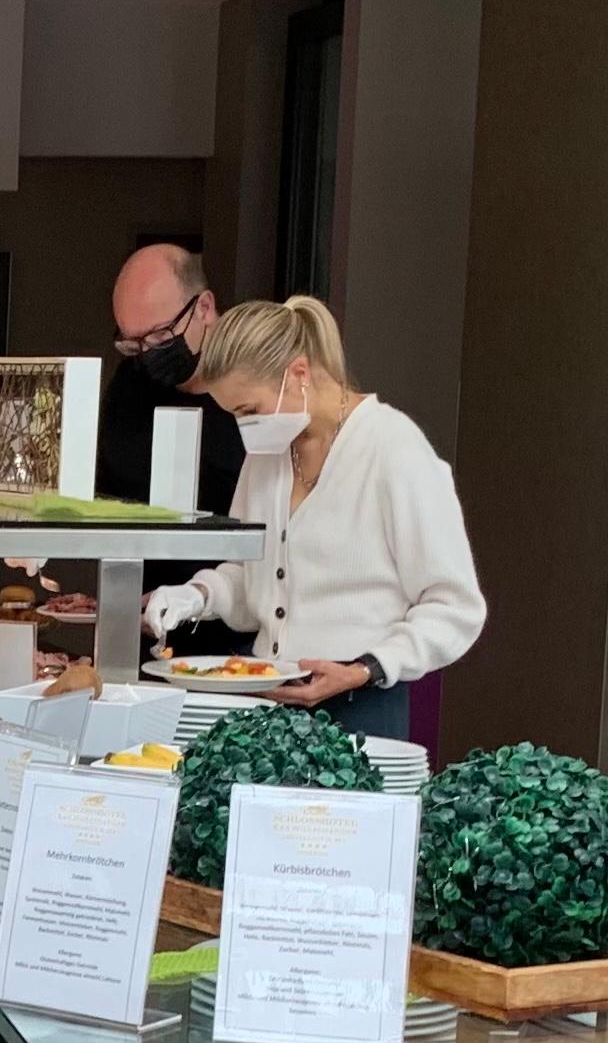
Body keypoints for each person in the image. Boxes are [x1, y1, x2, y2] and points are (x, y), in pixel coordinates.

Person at [144, 296, 486, 739]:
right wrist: (197, 595)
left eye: (248, 410)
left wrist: (366, 669)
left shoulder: (394, 448)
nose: (242, 426)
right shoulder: (268, 454)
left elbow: (456, 606)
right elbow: (252, 587)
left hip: (362, 708)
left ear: (299, 375)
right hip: (268, 707)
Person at [95, 243, 245, 515]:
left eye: (161, 336)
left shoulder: (255, 396)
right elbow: (106, 492)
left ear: (204, 307)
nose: (147, 352)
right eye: (134, 343)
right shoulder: (130, 384)